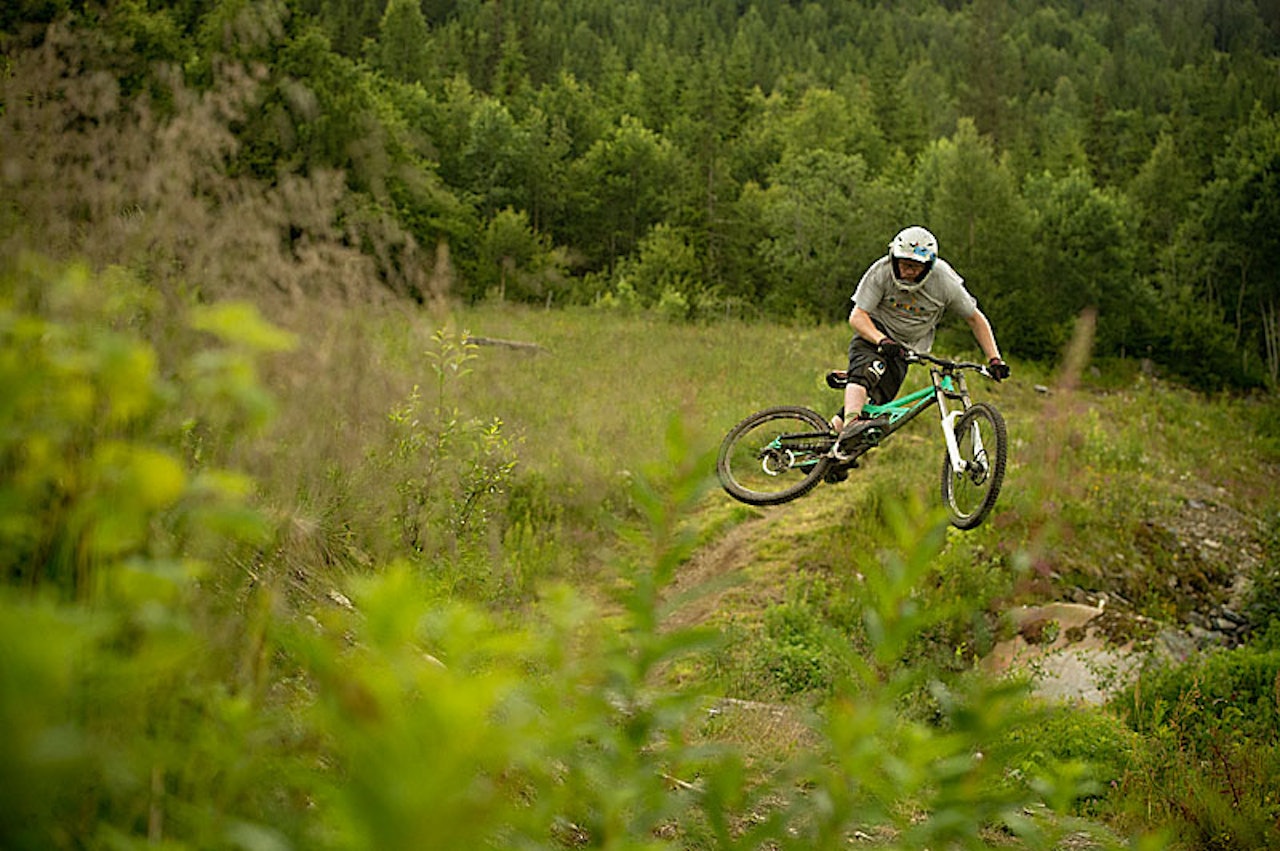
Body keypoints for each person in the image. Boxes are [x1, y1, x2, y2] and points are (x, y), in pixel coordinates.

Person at [833, 226, 1009, 450]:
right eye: (905, 265)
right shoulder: (881, 271)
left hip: (906, 349)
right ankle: (849, 426)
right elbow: (857, 316)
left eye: (916, 267)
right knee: (868, 371)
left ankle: (829, 452)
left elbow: (976, 319)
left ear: (929, 266)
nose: (908, 272)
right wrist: (881, 340)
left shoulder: (945, 281)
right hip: (874, 335)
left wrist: (995, 360)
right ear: (894, 258)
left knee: (875, 406)